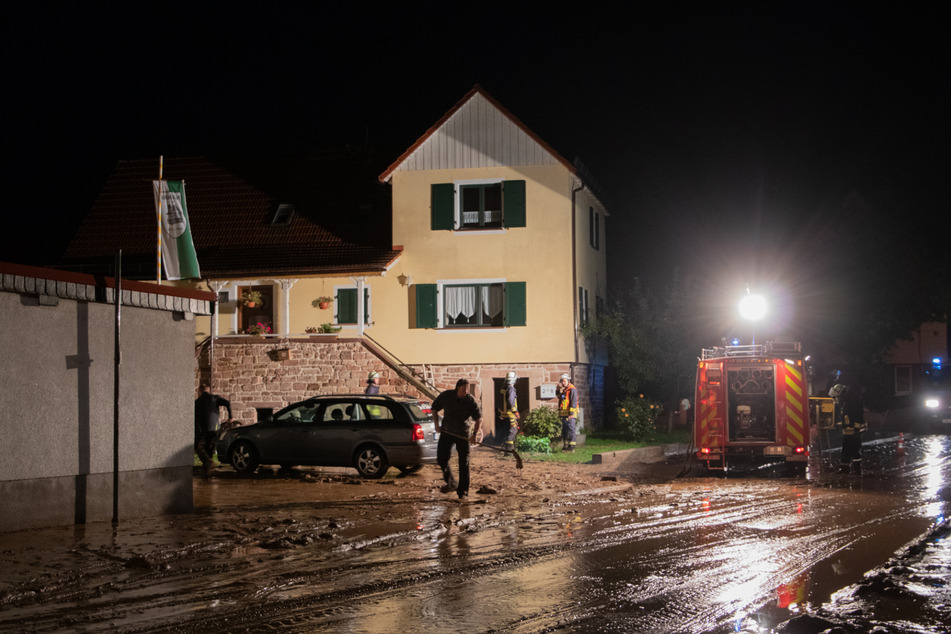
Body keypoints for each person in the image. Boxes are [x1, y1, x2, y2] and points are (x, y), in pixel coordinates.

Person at [432, 378, 483, 501]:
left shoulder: (470, 401)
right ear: (457, 388)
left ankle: (463, 491)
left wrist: (474, 434)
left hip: (462, 434)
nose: (466, 391)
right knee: (441, 458)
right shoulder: (446, 396)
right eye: (463, 388)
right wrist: (436, 425)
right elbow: (434, 408)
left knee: (464, 463)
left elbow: (479, 419)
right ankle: (451, 483)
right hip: (447, 432)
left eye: (467, 388)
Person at [194, 384, 233, 477]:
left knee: (198, 446)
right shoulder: (215, 398)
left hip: (202, 428)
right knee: (210, 447)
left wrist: (196, 431)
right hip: (214, 427)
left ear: (199, 391)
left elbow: (195, 418)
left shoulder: (197, 402)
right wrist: (231, 417)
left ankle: (208, 464)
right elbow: (227, 403)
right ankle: (207, 470)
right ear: (208, 390)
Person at [830, 377, 866, 474]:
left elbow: (857, 415)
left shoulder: (853, 399)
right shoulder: (848, 399)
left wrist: (856, 430)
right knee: (846, 447)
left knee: (855, 448)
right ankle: (845, 468)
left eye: (838, 396)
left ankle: (857, 469)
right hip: (849, 429)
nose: (838, 398)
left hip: (855, 429)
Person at [557, 373, 579, 451]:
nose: (562, 383)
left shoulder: (572, 389)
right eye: (561, 381)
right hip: (564, 414)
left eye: (564, 381)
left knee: (570, 429)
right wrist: (557, 389)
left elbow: (573, 401)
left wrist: (571, 413)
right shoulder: (565, 390)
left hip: (570, 414)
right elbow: (560, 398)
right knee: (565, 430)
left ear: (568, 381)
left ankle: (572, 446)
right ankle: (566, 445)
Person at [498, 371, 520, 452]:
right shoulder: (511, 389)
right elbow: (511, 401)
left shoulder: (503, 388)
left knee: (506, 432)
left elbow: (499, 402)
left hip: (504, 415)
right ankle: (509, 451)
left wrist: (500, 412)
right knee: (512, 431)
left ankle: (505, 449)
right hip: (510, 414)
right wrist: (515, 411)